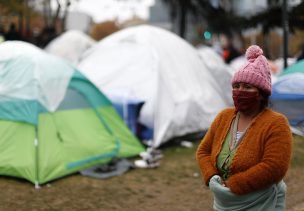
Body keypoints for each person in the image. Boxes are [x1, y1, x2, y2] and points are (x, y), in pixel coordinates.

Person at [196, 45, 292, 210]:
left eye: (247, 87)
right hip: (223, 203)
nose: (240, 91)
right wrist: (211, 176)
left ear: (261, 93)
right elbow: (203, 151)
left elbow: (274, 167)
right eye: (236, 86)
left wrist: (234, 185)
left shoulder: (276, 123)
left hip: (261, 204)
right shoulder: (224, 117)